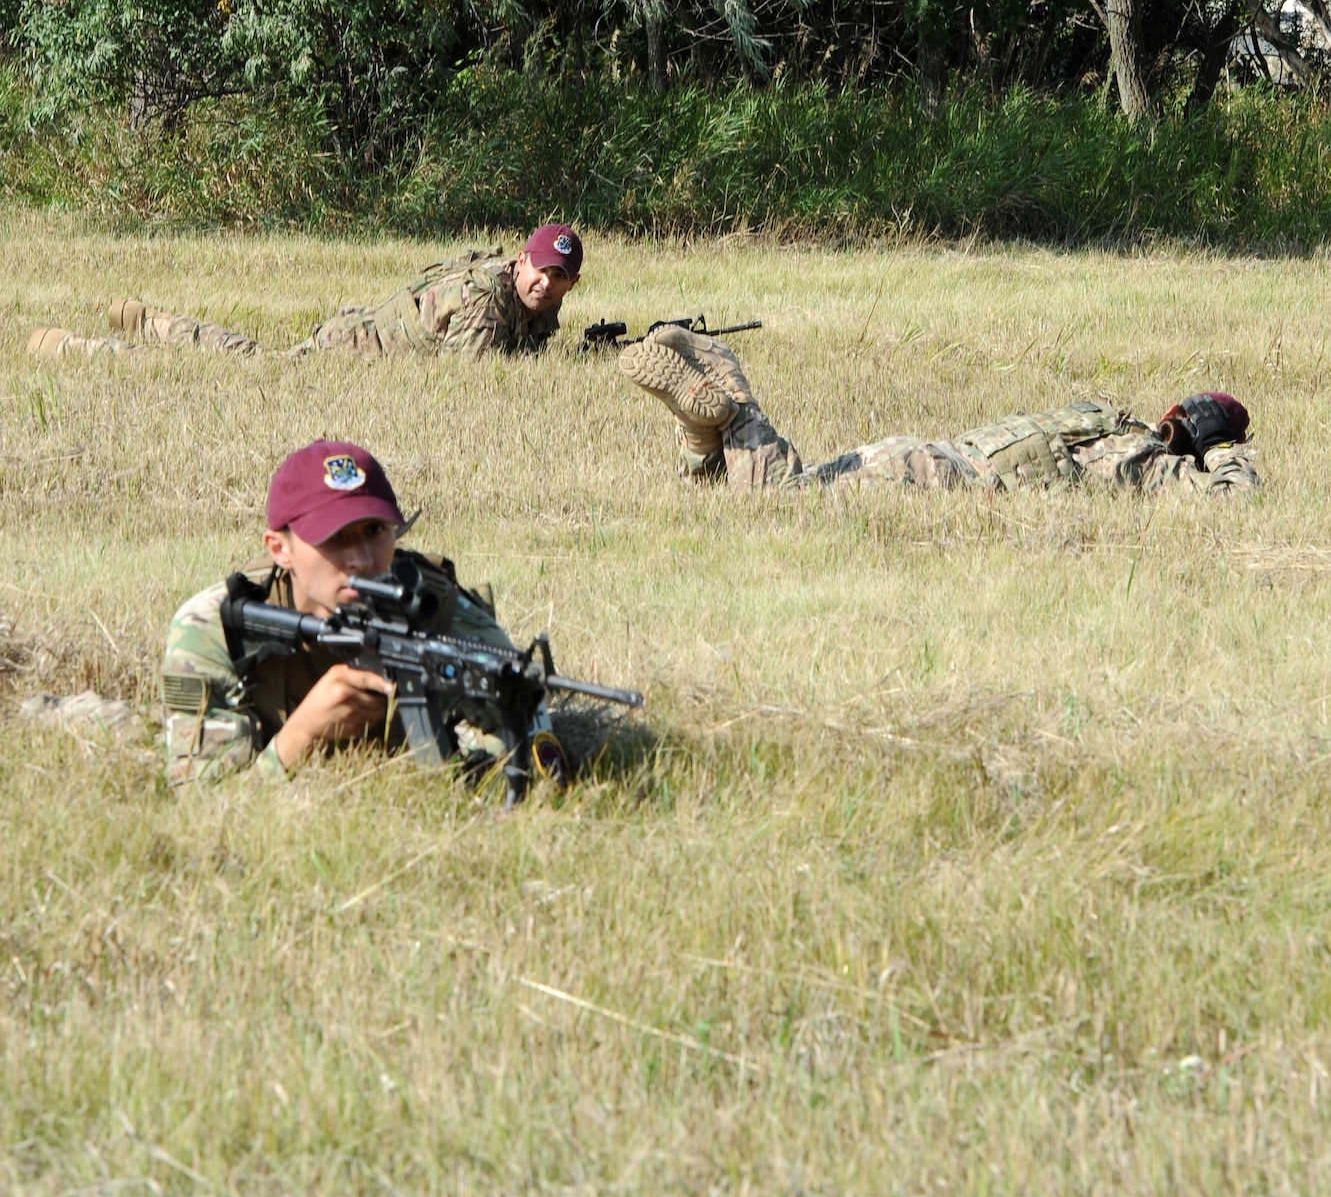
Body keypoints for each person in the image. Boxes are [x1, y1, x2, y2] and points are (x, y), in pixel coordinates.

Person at [161, 439, 563, 786]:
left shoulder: (439, 609)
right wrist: (302, 734)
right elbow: (205, 805)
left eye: (375, 531)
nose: (361, 559)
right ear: (279, 549)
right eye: (334, 538)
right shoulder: (215, 628)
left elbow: (537, 776)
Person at [618, 325, 1260, 496]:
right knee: (782, 502)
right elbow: (1237, 502)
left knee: (780, 492)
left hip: (923, 455)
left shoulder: (1096, 414)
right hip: (943, 484)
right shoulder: (1145, 463)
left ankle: (699, 439)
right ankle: (731, 409)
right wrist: (1224, 451)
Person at [27, 223, 584, 362]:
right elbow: (476, 384)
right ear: (520, 260)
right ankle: (81, 349)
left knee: (247, 358)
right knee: (246, 364)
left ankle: (150, 320)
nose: (544, 282)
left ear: (569, 285)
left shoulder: (534, 302)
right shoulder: (483, 297)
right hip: (354, 350)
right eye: (540, 269)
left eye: (558, 278)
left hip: (366, 334)